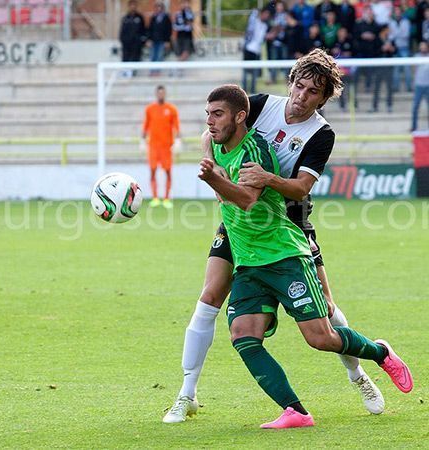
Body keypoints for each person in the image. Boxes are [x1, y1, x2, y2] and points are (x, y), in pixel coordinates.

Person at [163, 50, 388, 423]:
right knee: (209, 296)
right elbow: (213, 129)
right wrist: (215, 163)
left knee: (327, 310)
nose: (302, 96)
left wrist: (264, 179)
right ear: (291, 82)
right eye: (299, 85)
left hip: (289, 221)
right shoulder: (261, 104)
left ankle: (358, 373)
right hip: (241, 219)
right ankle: (186, 395)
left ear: (323, 97)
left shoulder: (321, 133)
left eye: (313, 91)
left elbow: (300, 189)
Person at [197, 84, 412, 429]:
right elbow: (209, 143)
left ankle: (379, 353)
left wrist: (212, 178)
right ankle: (295, 411)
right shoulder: (220, 139)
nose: (209, 122)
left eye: (216, 115)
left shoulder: (257, 150)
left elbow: (247, 200)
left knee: (320, 337)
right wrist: (212, 165)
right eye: (207, 114)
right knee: (242, 336)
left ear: (240, 117)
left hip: (284, 255)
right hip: (248, 261)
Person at [141, 85, 180, 208]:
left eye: (163, 93)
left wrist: (178, 140)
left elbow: (176, 126)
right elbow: (145, 125)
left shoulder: (171, 109)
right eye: (159, 93)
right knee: (152, 171)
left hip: (166, 146)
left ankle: (167, 198)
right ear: (156, 94)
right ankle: (155, 197)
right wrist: (142, 140)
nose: (161, 95)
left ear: (165, 94)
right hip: (153, 145)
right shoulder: (150, 109)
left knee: (168, 171)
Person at [119, 0, 147, 78]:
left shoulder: (139, 17)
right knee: (125, 57)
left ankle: (133, 72)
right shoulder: (126, 18)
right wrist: (122, 39)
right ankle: (125, 72)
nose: (133, 7)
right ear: (129, 6)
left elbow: (143, 30)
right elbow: (122, 30)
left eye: (134, 5)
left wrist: (142, 41)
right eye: (131, 5)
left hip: (136, 43)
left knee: (135, 58)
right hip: (127, 43)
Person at [147, 0, 172, 73]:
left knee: (159, 56)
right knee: (152, 56)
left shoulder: (166, 18)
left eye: (160, 7)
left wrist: (167, 41)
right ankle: (152, 71)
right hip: (153, 40)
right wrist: (149, 39)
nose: (159, 8)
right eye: (157, 7)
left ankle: (157, 72)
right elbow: (150, 29)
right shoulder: (153, 18)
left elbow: (168, 30)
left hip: (162, 40)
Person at [411, 41, 429, 131]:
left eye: (424, 46)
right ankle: (414, 127)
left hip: (428, 86)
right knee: (415, 107)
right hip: (419, 86)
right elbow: (414, 70)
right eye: (421, 46)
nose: (422, 48)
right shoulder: (416, 57)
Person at [173, 0, 195, 64]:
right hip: (179, 37)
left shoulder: (189, 13)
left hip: (187, 37)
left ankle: (179, 64)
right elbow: (175, 26)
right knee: (179, 53)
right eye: (183, 3)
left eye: (186, 3)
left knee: (185, 53)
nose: (184, 5)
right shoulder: (178, 14)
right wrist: (183, 26)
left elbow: (189, 27)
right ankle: (179, 69)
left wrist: (182, 26)